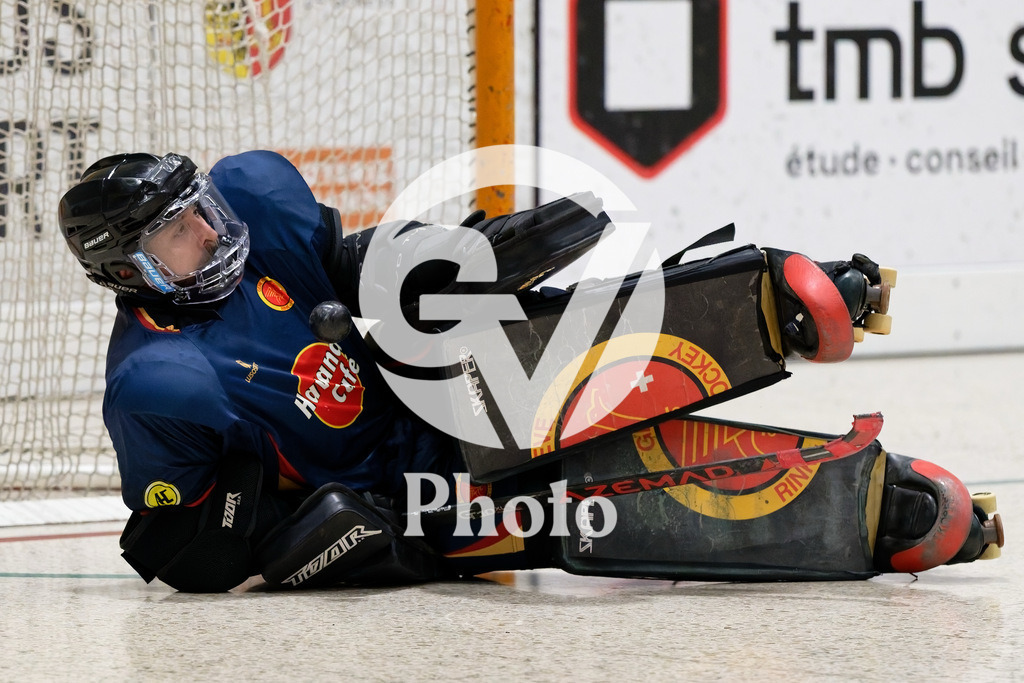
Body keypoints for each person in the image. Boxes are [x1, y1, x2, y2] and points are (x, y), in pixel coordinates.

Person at [58, 150, 1002, 592]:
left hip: (421, 388)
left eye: (202, 213)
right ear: (126, 268)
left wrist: (437, 257)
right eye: (179, 237)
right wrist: (305, 536)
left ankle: (774, 302)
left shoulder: (256, 210)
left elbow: (344, 264)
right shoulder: (158, 378)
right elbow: (185, 546)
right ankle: (876, 513)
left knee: (567, 350)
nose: (210, 235)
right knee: (613, 495)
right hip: (402, 503)